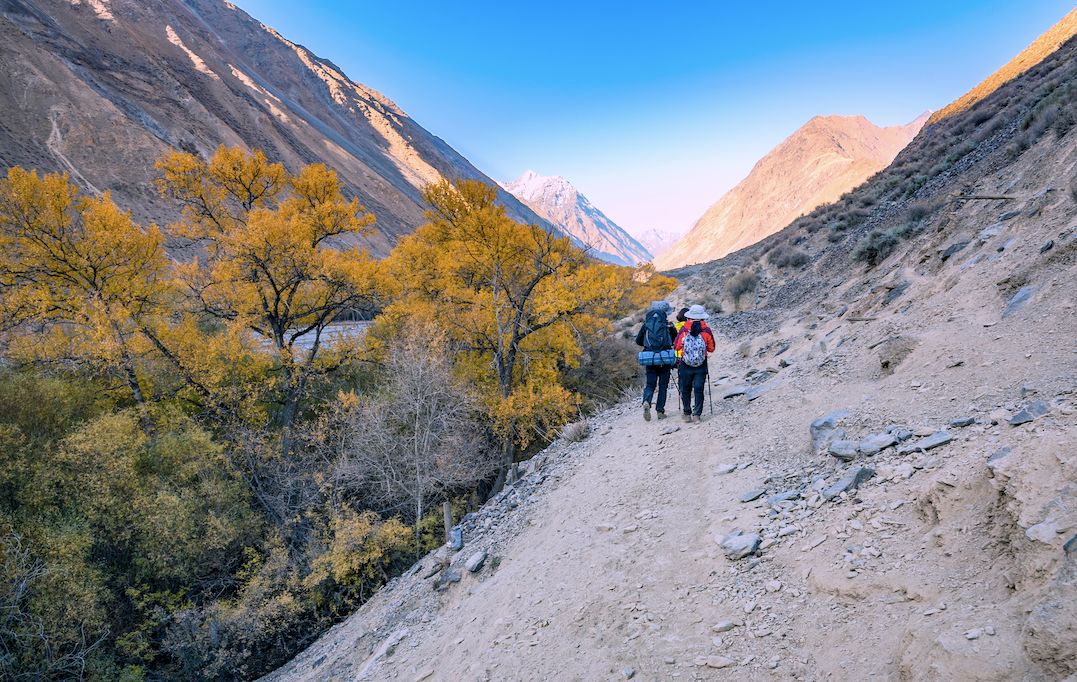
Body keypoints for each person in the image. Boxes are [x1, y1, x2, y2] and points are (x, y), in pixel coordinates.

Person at [635, 300, 677, 421]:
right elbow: (675, 340)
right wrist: (671, 328)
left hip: (650, 359)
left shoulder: (646, 324)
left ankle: (647, 401)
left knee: (650, 384)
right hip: (664, 358)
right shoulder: (667, 325)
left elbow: (638, 341)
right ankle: (660, 411)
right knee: (663, 386)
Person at [674, 304, 715, 423]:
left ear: (690, 316)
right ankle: (697, 415)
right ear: (702, 317)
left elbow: (676, 347)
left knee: (685, 388)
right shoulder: (706, 330)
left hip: (685, 364)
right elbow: (712, 348)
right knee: (698, 388)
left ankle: (687, 413)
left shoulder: (684, 329)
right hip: (701, 365)